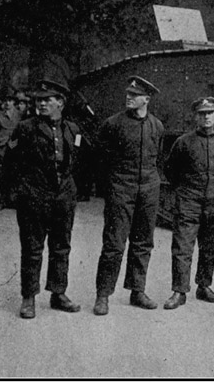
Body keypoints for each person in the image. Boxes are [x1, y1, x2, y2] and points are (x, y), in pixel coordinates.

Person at [5, 80, 85, 318]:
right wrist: (20, 192)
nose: (41, 104)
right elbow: (10, 162)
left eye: (47, 100)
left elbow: (80, 159)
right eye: (39, 100)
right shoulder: (25, 128)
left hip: (63, 197)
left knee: (61, 247)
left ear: (60, 102)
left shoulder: (73, 129)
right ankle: (28, 297)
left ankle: (58, 293)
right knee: (32, 249)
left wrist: (72, 189)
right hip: (34, 197)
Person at [93, 76, 164, 316]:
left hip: (149, 189)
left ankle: (137, 290)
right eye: (128, 94)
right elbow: (100, 158)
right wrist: (111, 185)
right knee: (114, 244)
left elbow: (158, 157)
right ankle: (103, 295)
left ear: (147, 99)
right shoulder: (113, 124)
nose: (129, 97)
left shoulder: (157, 126)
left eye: (135, 95)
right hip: (121, 188)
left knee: (143, 242)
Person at [162, 97, 214, 310]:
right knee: (183, 247)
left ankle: (204, 286)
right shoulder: (183, 142)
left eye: (210, 113)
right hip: (189, 201)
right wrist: (184, 191)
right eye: (202, 114)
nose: (206, 117)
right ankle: (179, 291)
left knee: (209, 247)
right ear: (196, 117)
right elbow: (170, 169)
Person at [0, 88, 18, 210]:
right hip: (2, 147)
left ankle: (13, 199)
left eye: (10, 100)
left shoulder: (19, 114)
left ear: (14, 102)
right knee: (1, 174)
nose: (8, 103)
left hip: (16, 146)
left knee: (15, 173)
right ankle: (1, 200)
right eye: (6, 100)